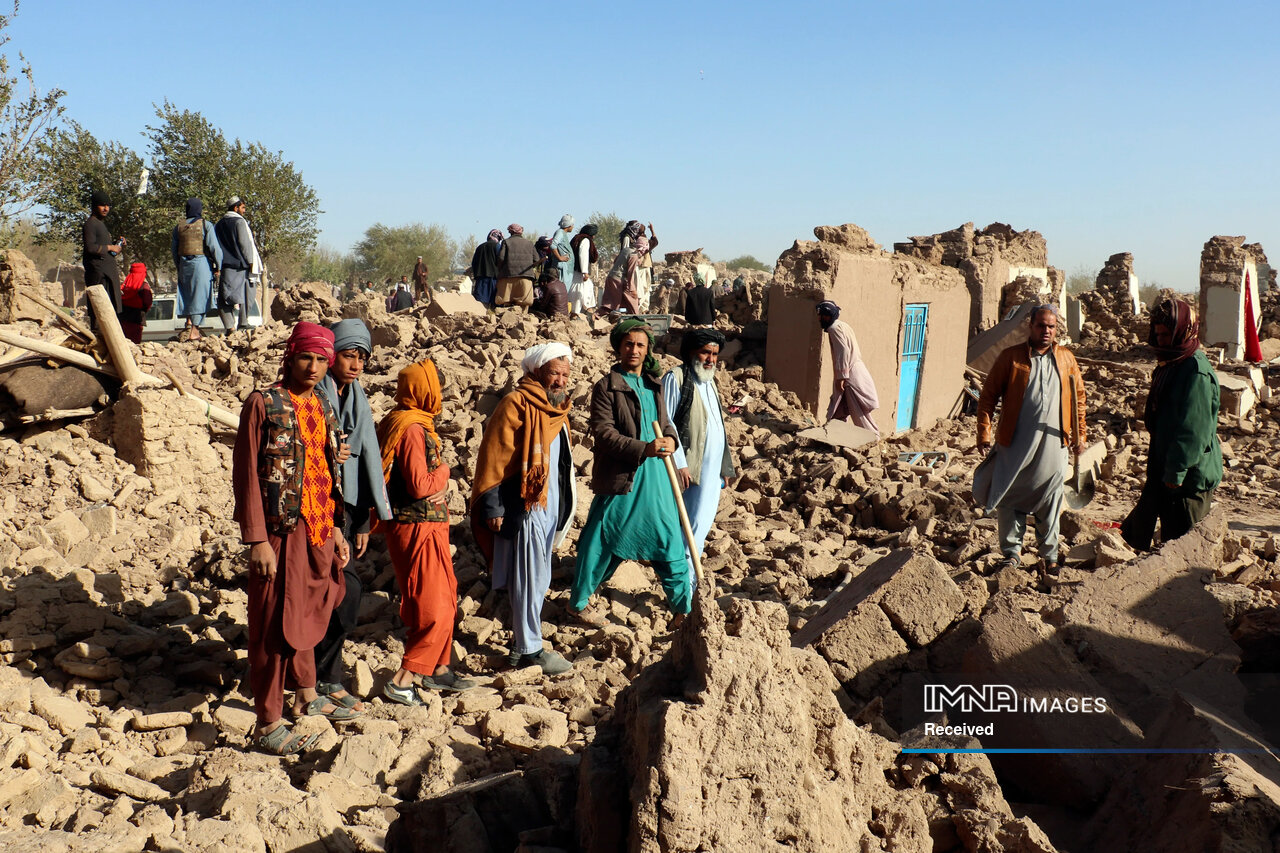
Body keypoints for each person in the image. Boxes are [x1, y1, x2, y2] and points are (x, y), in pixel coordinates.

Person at [232, 322, 359, 756]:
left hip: (318, 526)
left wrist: (337, 526)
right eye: (307, 357)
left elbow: (325, 468)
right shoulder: (263, 403)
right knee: (271, 621)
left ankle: (305, 694)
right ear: (290, 356)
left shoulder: (321, 405)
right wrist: (257, 541)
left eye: (323, 360)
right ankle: (267, 721)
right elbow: (247, 474)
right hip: (278, 531)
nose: (315, 367)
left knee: (305, 611)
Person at [570, 319, 692, 624]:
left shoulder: (655, 384)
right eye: (628, 344)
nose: (633, 350)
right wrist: (644, 448)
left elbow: (666, 425)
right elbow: (604, 432)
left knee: (668, 539)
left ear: (648, 348)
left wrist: (671, 442)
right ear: (618, 347)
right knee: (600, 538)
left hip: (658, 478)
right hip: (625, 477)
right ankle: (578, 602)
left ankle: (683, 610)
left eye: (640, 345)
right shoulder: (607, 386)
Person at [471, 342, 577, 675]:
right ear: (534, 372)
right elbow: (493, 459)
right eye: (553, 374)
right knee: (529, 577)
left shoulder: (557, 410)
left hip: (551, 505)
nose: (559, 381)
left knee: (538, 575)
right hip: (526, 505)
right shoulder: (515, 404)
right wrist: (493, 508)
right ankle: (531, 648)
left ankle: (521, 645)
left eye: (564, 374)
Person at [377, 358, 476, 704]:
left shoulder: (405, 422)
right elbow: (420, 485)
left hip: (424, 527)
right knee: (436, 607)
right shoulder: (413, 429)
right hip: (417, 526)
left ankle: (439, 669)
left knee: (445, 594)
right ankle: (403, 678)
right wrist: (446, 472)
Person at [314, 319, 392, 712]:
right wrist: (329, 454)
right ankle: (314, 682)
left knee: (343, 595)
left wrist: (361, 521)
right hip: (312, 512)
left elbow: (363, 463)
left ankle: (327, 678)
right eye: (349, 355)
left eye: (362, 357)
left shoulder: (357, 400)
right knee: (331, 595)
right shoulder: (313, 397)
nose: (357, 364)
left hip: (342, 514)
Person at [973, 305, 1086, 575]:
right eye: (1041, 326)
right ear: (1030, 327)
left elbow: (1079, 398)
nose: (1046, 331)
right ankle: (1011, 554)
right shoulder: (1011, 358)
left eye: (1051, 326)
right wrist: (984, 432)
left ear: (1056, 329)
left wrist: (1080, 433)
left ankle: (1049, 555)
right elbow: (987, 397)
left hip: (1054, 442)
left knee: (1051, 495)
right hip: (1015, 442)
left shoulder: (1067, 358)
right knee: (1009, 493)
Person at [1120, 298, 1222, 551]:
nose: (1161, 340)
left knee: (1185, 547)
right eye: (1157, 334)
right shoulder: (1173, 363)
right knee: (1164, 536)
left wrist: (1176, 470)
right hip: (1169, 469)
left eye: (1166, 334)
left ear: (1184, 331)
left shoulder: (1194, 370)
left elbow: (1193, 429)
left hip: (1188, 477)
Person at [663, 328, 736, 568]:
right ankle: (687, 581)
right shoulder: (676, 378)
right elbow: (666, 424)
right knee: (691, 526)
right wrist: (680, 464)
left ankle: (688, 579)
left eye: (715, 354)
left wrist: (724, 467)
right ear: (691, 352)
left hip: (712, 472)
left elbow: (718, 427)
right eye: (706, 353)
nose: (711, 359)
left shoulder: (709, 382)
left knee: (701, 524)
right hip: (690, 471)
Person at [816, 301, 880, 434]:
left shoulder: (834, 329)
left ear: (827, 316)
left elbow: (843, 351)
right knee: (838, 408)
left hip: (850, 375)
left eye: (820, 315)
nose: (819, 318)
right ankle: (833, 434)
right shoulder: (842, 325)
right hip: (852, 371)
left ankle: (872, 439)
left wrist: (841, 377)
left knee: (859, 413)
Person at [171, 197, 222, 340]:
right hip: (201, 265)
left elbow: (174, 250)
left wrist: (179, 266)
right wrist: (219, 266)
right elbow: (214, 248)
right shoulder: (206, 225)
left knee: (187, 295)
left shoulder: (178, 227)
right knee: (201, 296)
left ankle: (189, 324)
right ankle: (194, 330)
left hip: (184, 266)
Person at [215, 196, 262, 333]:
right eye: (242, 208)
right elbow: (244, 244)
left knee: (234, 296)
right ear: (235, 208)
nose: (244, 211)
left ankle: (238, 324)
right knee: (231, 298)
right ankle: (235, 326)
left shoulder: (219, 224)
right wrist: (251, 262)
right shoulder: (239, 222)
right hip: (238, 265)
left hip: (229, 265)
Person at [82, 189, 125, 327]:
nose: (106, 208)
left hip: (106, 273)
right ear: (94, 206)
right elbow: (90, 248)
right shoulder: (90, 224)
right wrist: (110, 248)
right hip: (99, 275)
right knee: (100, 311)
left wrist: (115, 247)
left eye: (108, 205)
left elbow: (102, 248)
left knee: (110, 310)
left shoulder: (100, 224)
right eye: (102, 205)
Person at [599, 230, 649, 316]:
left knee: (620, 303)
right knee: (613, 304)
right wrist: (632, 289)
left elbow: (616, 261)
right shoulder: (634, 255)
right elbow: (630, 274)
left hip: (613, 277)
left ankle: (630, 318)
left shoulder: (626, 250)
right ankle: (596, 315)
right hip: (618, 280)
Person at [497, 224, 539, 311]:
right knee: (524, 303)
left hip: (507, 277)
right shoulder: (529, 243)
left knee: (506, 302)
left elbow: (501, 258)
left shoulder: (506, 242)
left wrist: (499, 270)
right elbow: (537, 259)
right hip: (525, 278)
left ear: (510, 232)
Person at [118, 261, 153, 344]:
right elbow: (147, 302)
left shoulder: (123, 286)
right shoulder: (144, 286)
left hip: (121, 318)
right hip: (136, 319)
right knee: (134, 344)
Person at [568, 224, 599, 316]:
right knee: (580, 292)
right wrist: (585, 271)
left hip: (574, 271)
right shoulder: (585, 240)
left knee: (584, 289)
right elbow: (583, 255)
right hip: (579, 272)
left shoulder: (576, 239)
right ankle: (578, 313)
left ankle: (581, 312)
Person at [470, 229, 503, 309]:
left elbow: (474, 263)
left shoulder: (480, 247)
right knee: (494, 303)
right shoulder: (497, 246)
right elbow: (501, 260)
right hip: (493, 279)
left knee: (481, 304)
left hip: (480, 279)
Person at [550, 214, 575, 290]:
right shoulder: (560, 232)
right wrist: (560, 258)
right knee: (562, 289)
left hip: (566, 268)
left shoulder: (563, 233)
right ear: (569, 225)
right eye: (572, 224)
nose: (573, 226)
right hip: (563, 268)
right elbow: (553, 245)